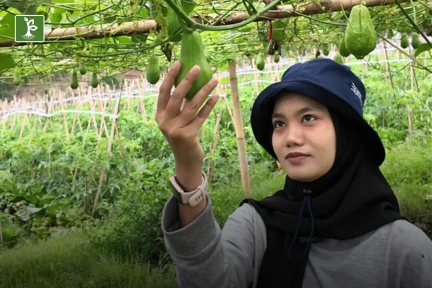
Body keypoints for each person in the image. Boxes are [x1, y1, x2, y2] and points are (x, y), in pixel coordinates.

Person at [156, 58, 432, 288]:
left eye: (308, 118)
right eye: (279, 123)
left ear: (346, 131)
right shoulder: (254, 225)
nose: (290, 137)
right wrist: (188, 164)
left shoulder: (404, 248)